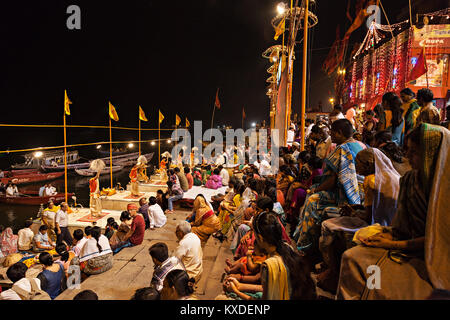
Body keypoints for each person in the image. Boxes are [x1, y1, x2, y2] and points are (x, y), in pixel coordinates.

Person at [337, 123, 450, 300]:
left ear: (431, 154)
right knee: (352, 257)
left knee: (374, 275)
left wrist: (392, 244)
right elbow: (400, 226)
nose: (408, 157)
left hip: (434, 259)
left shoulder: (445, 191)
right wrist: (387, 236)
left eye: (414, 152)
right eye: (407, 151)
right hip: (404, 245)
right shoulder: (410, 180)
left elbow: (439, 241)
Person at [317, 147, 401, 293]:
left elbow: (367, 216)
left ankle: (333, 274)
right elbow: (377, 205)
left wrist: (353, 212)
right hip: (390, 223)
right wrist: (357, 207)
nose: (356, 167)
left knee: (328, 226)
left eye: (358, 163)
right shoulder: (392, 176)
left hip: (375, 225)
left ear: (368, 165)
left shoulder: (370, 180)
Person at [293, 119, 367, 253]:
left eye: (332, 132)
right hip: (362, 193)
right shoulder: (361, 145)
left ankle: (305, 243)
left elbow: (332, 180)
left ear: (339, 133)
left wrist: (316, 189)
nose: (330, 135)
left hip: (345, 195)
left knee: (312, 199)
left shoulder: (341, 149)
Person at [225, 211, 316, 300]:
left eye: (255, 236)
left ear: (260, 238)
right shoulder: (287, 248)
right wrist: (240, 286)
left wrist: (236, 291)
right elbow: (266, 288)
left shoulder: (269, 265)